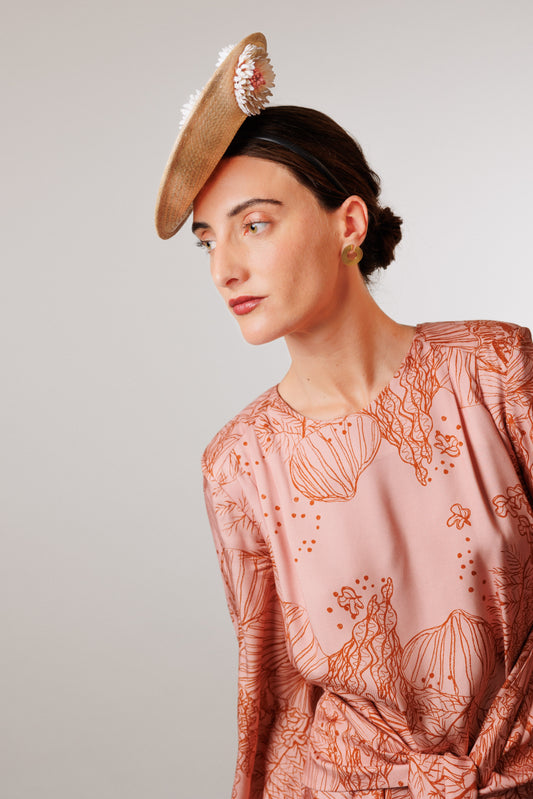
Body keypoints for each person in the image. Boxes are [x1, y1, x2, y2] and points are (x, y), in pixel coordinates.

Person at [155, 33, 533, 799]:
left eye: (254, 224)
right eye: (207, 241)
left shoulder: (494, 370)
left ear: (348, 223)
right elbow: (274, 702)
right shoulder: (239, 465)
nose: (224, 268)